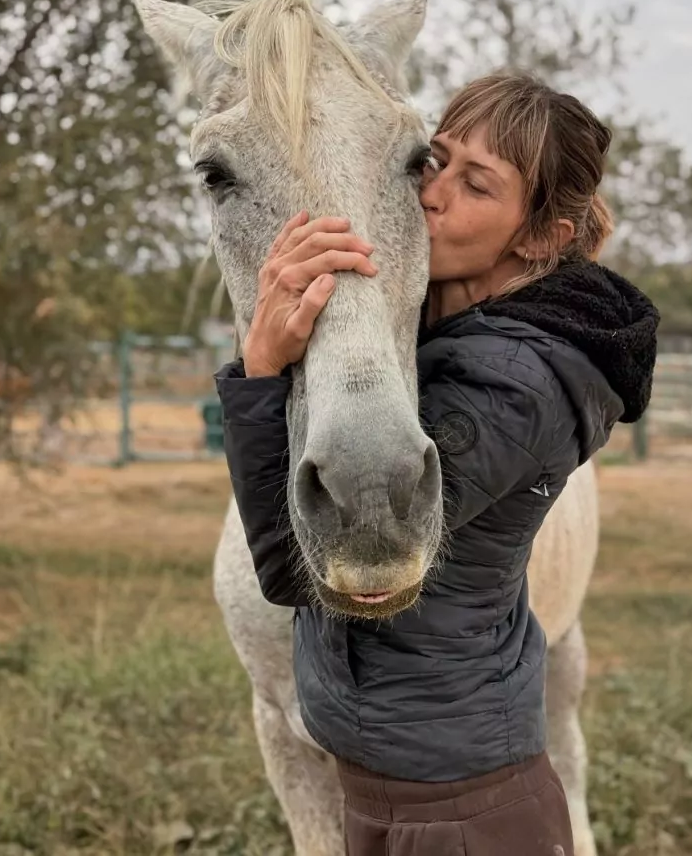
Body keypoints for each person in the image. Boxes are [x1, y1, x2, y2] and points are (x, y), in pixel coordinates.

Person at [215, 72, 659, 856]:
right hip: (401, 781)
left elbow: (303, 572)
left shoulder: (517, 385)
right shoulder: (439, 341)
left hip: (459, 809)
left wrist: (256, 372)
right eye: (434, 160)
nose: (432, 193)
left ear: (538, 236)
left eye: (476, 184)